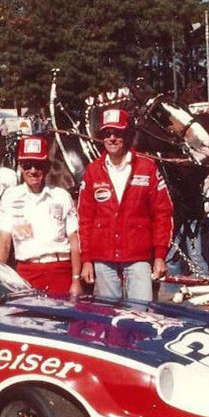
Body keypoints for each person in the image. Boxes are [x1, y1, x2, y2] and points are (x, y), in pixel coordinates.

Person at [77, 108, 173, 302]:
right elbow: (84, 219)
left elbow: (163, 213)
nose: (112, 138)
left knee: (142, 313)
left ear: (127, 135)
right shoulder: (93, 170)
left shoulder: (147, 168)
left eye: (117, 133)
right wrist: (86, 260)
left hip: (138, 258)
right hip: (103, 259)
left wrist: (160, 255)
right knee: (109, 317)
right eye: (107, 133)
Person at [0, 135, 82, 297]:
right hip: (27, 272)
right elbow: (4, 243)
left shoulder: (61, 196)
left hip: (60, 269)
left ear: (47, 166)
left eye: (38, 165)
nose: (33, 171)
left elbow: (74, 241)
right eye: (28, 165)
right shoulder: (10, 196)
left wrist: (76, 279)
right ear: (20, 166)